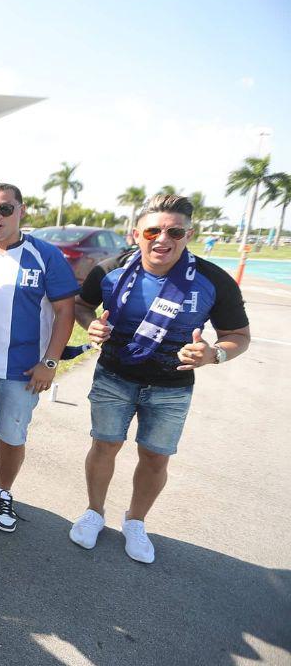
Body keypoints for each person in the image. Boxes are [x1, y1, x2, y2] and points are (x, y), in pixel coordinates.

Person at [70, 194, 250, 563]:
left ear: (189, 235)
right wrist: (91, 327)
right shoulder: (109, 270)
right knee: (104, 446)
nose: (162, 239)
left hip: (172, 388)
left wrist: (214, 354)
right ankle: (94, 512)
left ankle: (135, 522)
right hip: (114, 378)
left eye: (174, 231)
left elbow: (239, 336)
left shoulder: (213, 280)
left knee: (155, 458)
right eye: (153, 230)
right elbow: (82, 306)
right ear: (137, 234)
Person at [0, 183, 78, 533]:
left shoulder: (45, 256)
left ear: (21, 211)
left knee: (12, 435)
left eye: (5, 209)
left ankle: (4, 492)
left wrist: (50, 363)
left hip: (23, 370)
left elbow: (64, 313)